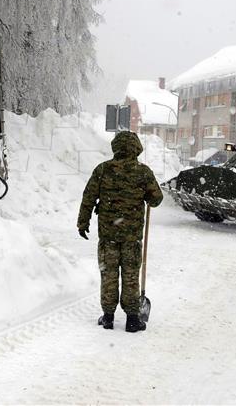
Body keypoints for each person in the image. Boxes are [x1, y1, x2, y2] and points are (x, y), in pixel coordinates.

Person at [77, 131, 163, 333]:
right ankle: (132, 319)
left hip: (108, 235)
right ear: (136, 148)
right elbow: (156, 199)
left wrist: (83, 222)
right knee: (131, 274)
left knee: (108, 274)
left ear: (115, 147)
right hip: (132, 237)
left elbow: (88, 197)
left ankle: (108, 317)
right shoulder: (143, 172)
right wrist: (145, 197)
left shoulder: (103, 170)